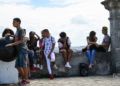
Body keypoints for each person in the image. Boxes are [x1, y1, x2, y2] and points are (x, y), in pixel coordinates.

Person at [6, 18, 30, 84]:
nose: (13, 23)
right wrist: (11, 35)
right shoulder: (17, 30)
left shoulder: (21, 30)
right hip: (19, 50)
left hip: (23, 49)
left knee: (23, 65)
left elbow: (22, 40)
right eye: (13, 22)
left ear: (19, 22)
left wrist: (11, 44)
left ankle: (26, 79)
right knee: (17, 66)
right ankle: (24, 78)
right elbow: (17, 37)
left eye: (14, 22)